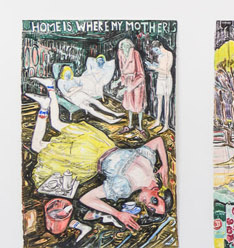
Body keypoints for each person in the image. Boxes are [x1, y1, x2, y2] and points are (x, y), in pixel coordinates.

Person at [28, 92, 169, 231]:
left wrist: (164, 165)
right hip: (86, 156)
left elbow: (158, 141)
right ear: (158, 191)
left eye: (151, 209)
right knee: (37, 146)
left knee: (57, 124)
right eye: (155, 202)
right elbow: (86, 198)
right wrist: (117, 214)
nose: (148, 205)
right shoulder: (125, 188)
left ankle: (49, 94)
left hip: (99, 141)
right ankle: (45, 105)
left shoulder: (149, 163)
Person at [115, 38, 147, 132]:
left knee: (138, 105)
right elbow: (122, 71)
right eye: (124, 46)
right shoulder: (120, 54)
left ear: (131, 46)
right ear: (121, 47)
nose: (126, 48)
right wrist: (118, 82)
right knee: (129, 104)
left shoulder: (135, 54)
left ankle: (141, 127)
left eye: (128, 46)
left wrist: (130, 86)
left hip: (137, 82)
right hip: (127, 82)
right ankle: (129, 125)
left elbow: (141, 75)